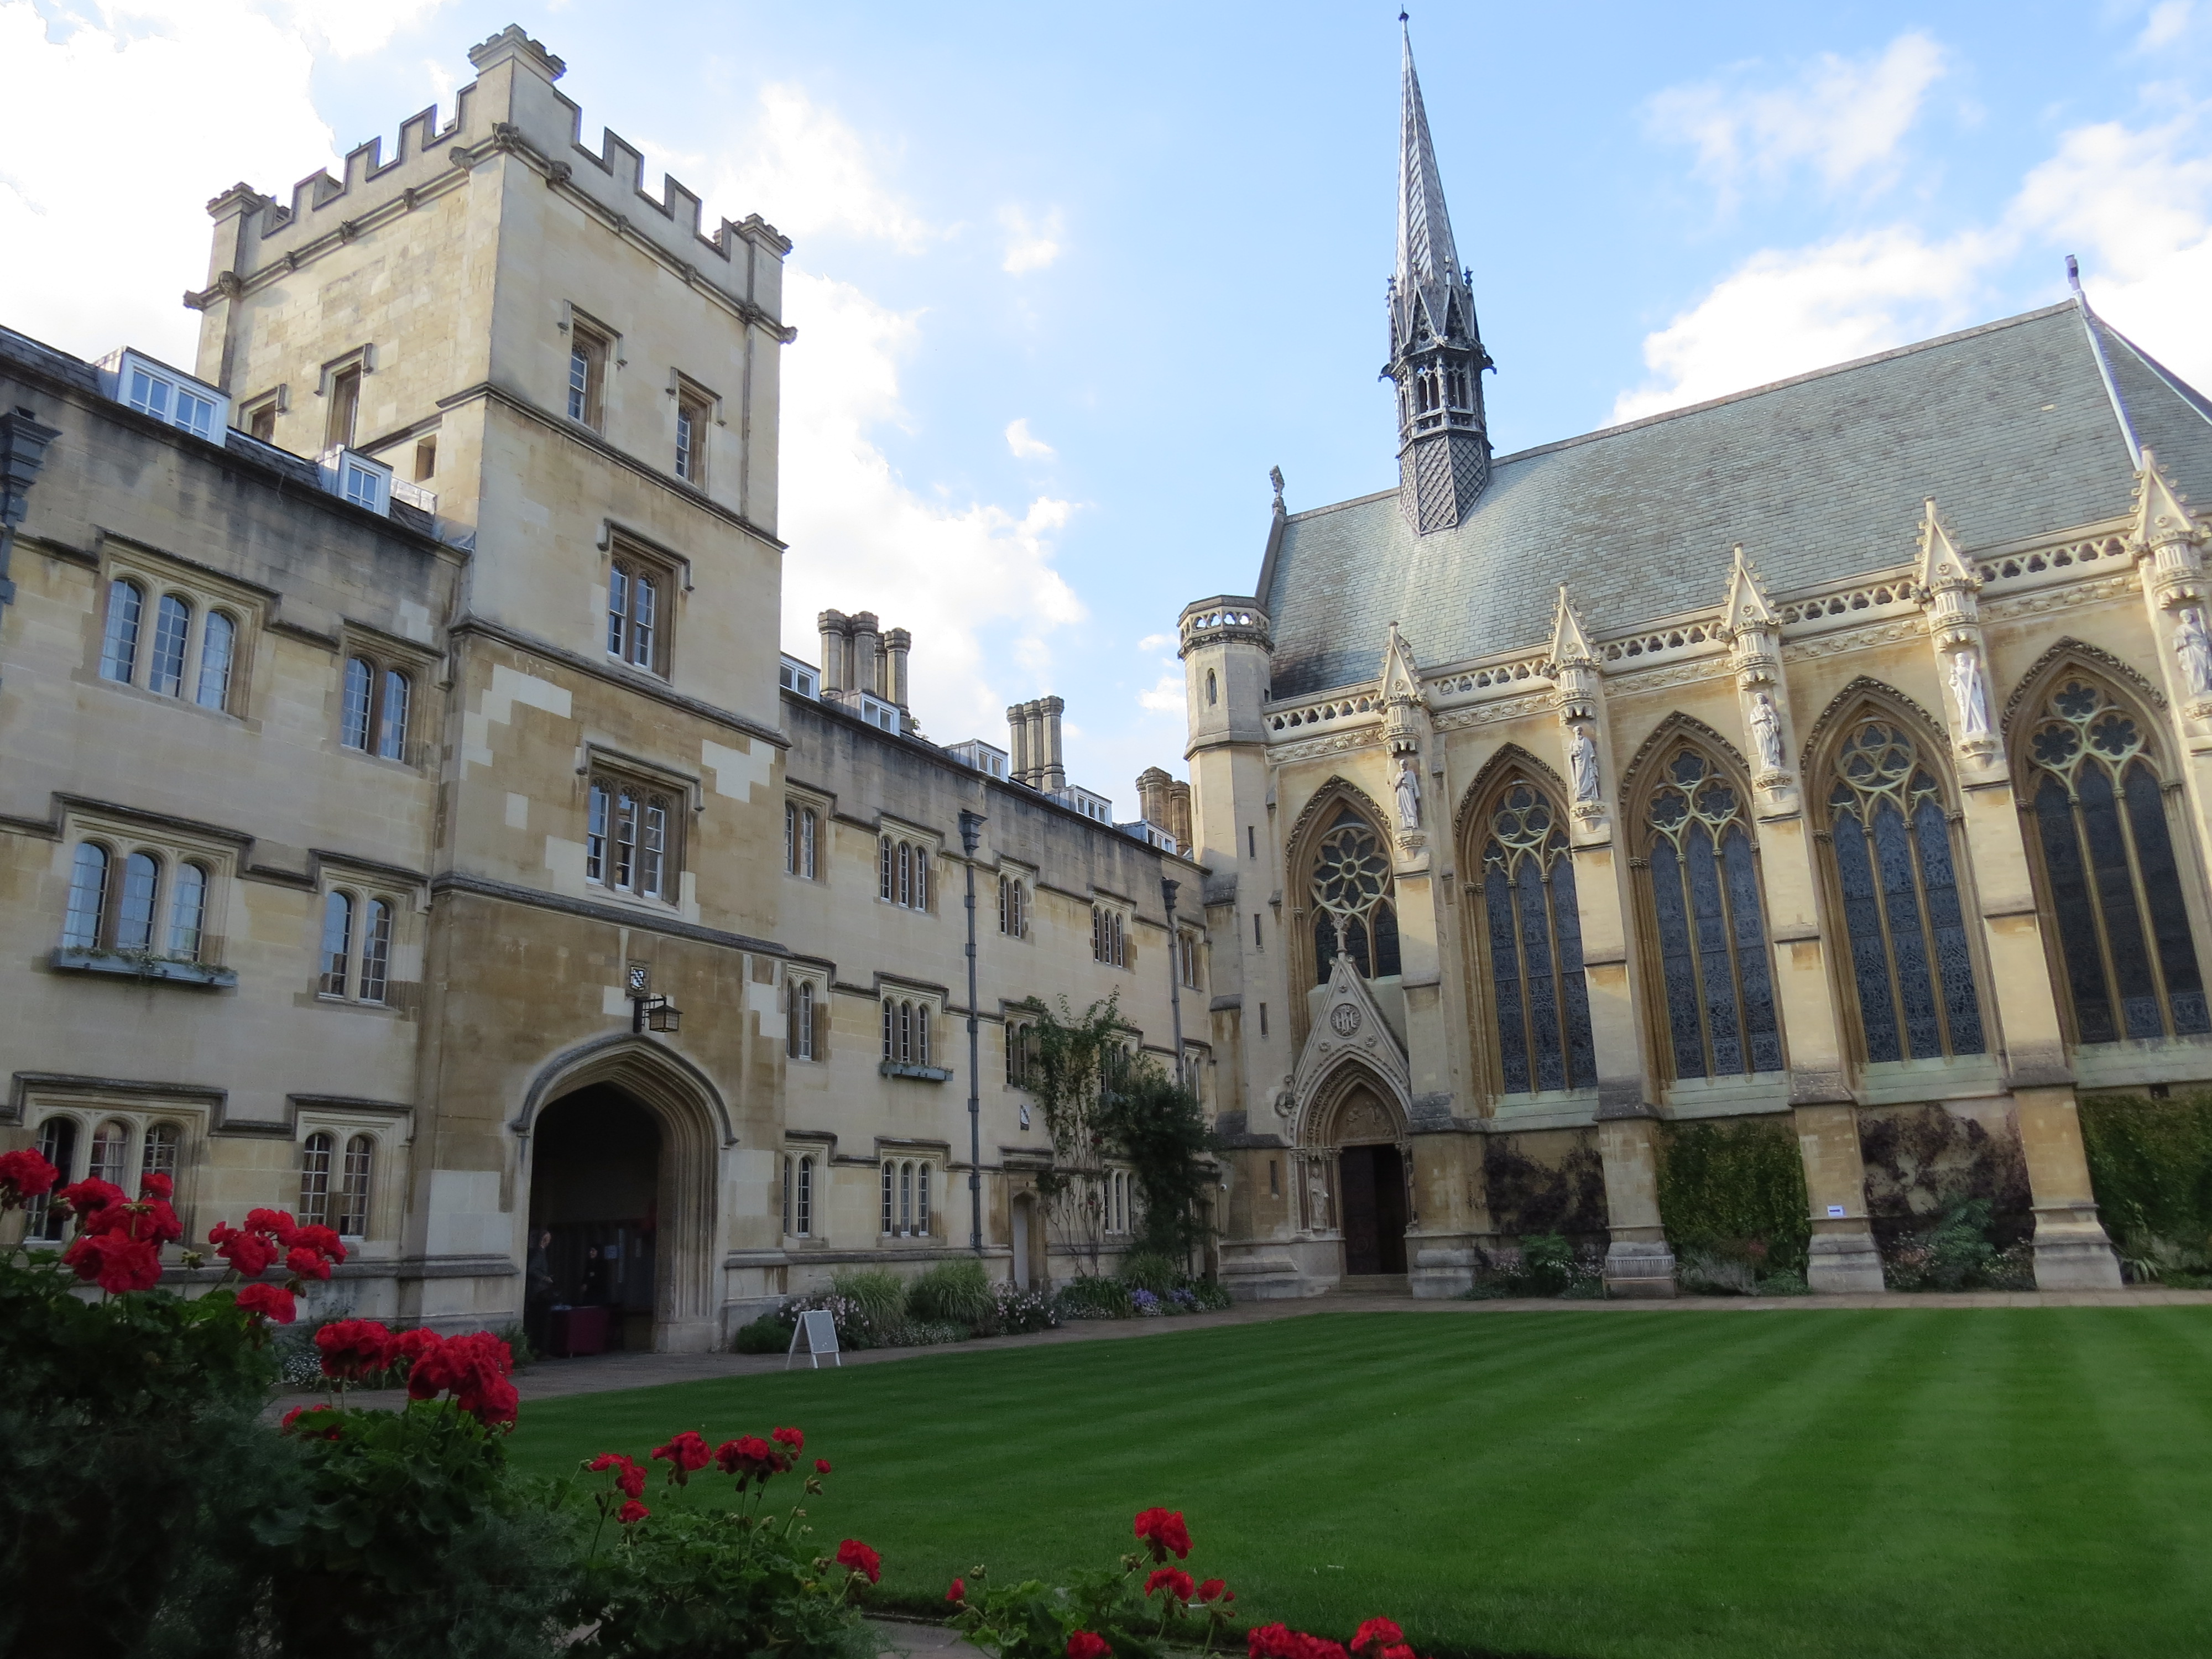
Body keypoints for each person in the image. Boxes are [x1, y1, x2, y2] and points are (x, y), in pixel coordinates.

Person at [524, 1228, 555, 1357]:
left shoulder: (538, 1252)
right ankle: (539, 1351)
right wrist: (544, 1277)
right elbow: (531, 1269)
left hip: (537, 1293)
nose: (548, 1242)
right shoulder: (539, 1253)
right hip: (538, 1293)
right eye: (546, 1239)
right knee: (540, 1323)